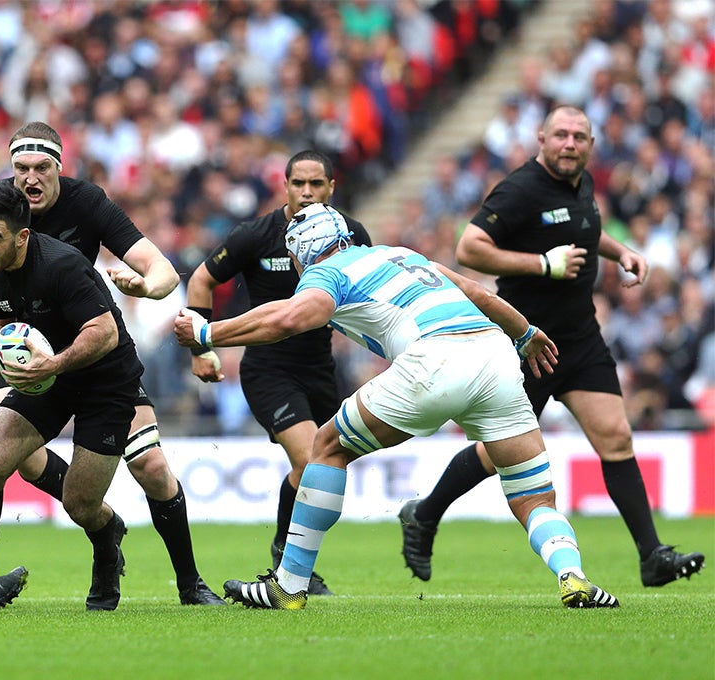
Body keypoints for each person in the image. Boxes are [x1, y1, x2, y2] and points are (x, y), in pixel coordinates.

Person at [177, 203, 621, 610]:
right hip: (495, 356)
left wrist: (207, 334)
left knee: (328, 446)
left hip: (436, 361)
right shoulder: (401, 254)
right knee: (532, 494)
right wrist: (524, 334)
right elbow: (477, 293)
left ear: (301, 252)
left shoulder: (325, 271)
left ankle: (288, 585)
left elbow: (288, 319)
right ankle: (573, 576)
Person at [0, 122, 223, 606]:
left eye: (41, 167)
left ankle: (188, 582)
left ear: (59, 167)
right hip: (26, 353)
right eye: (21, 168)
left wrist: (148, 288)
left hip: (93, 357)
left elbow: (157, 270)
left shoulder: (86, 209)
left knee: (150, 466)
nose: (30, 178)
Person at [397, 106, 704, 588]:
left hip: (580, 338)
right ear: (541, 138)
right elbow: (469, 249)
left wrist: (620, 252)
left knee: (616, 437)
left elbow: (581, 231)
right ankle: (426, 513)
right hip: (529, 340)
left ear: (590, 144)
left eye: (579, 136)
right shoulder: (520, 188)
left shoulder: (580, 184)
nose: (569, 143)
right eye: (560, 134)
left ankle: (652, 556)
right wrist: (543, 264)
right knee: (498, 451)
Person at [0, 181, 145, 612]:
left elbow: (103, 333)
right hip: (47, 374)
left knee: (80, 504)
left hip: (106, 380)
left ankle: (106, 539)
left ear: (22, 236)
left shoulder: (63, 266)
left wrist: (53, 365)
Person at [184, 150, 372, 594]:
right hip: (268, 368)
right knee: (310, 462)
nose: (307, 192)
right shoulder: (256, 235)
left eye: (317, 185)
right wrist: (199, 350)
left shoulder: (349, 234)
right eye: (298, 184)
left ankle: (284, 549)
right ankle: (292, 567)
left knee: (324, 468)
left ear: (331, 188)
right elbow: (200, 280)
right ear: (284, 186)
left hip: (322, 368)